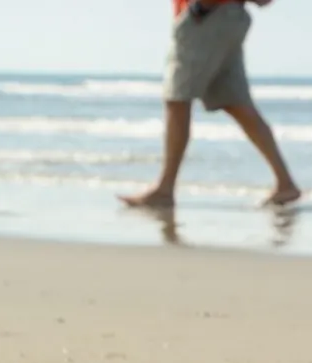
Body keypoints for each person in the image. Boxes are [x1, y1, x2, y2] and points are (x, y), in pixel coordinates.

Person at [119, 0, 302, 240]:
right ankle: (285, 183)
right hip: (229, 17)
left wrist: (200, 8)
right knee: (237, 104)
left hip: (207, 15)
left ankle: (165, 189)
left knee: (178, 99)